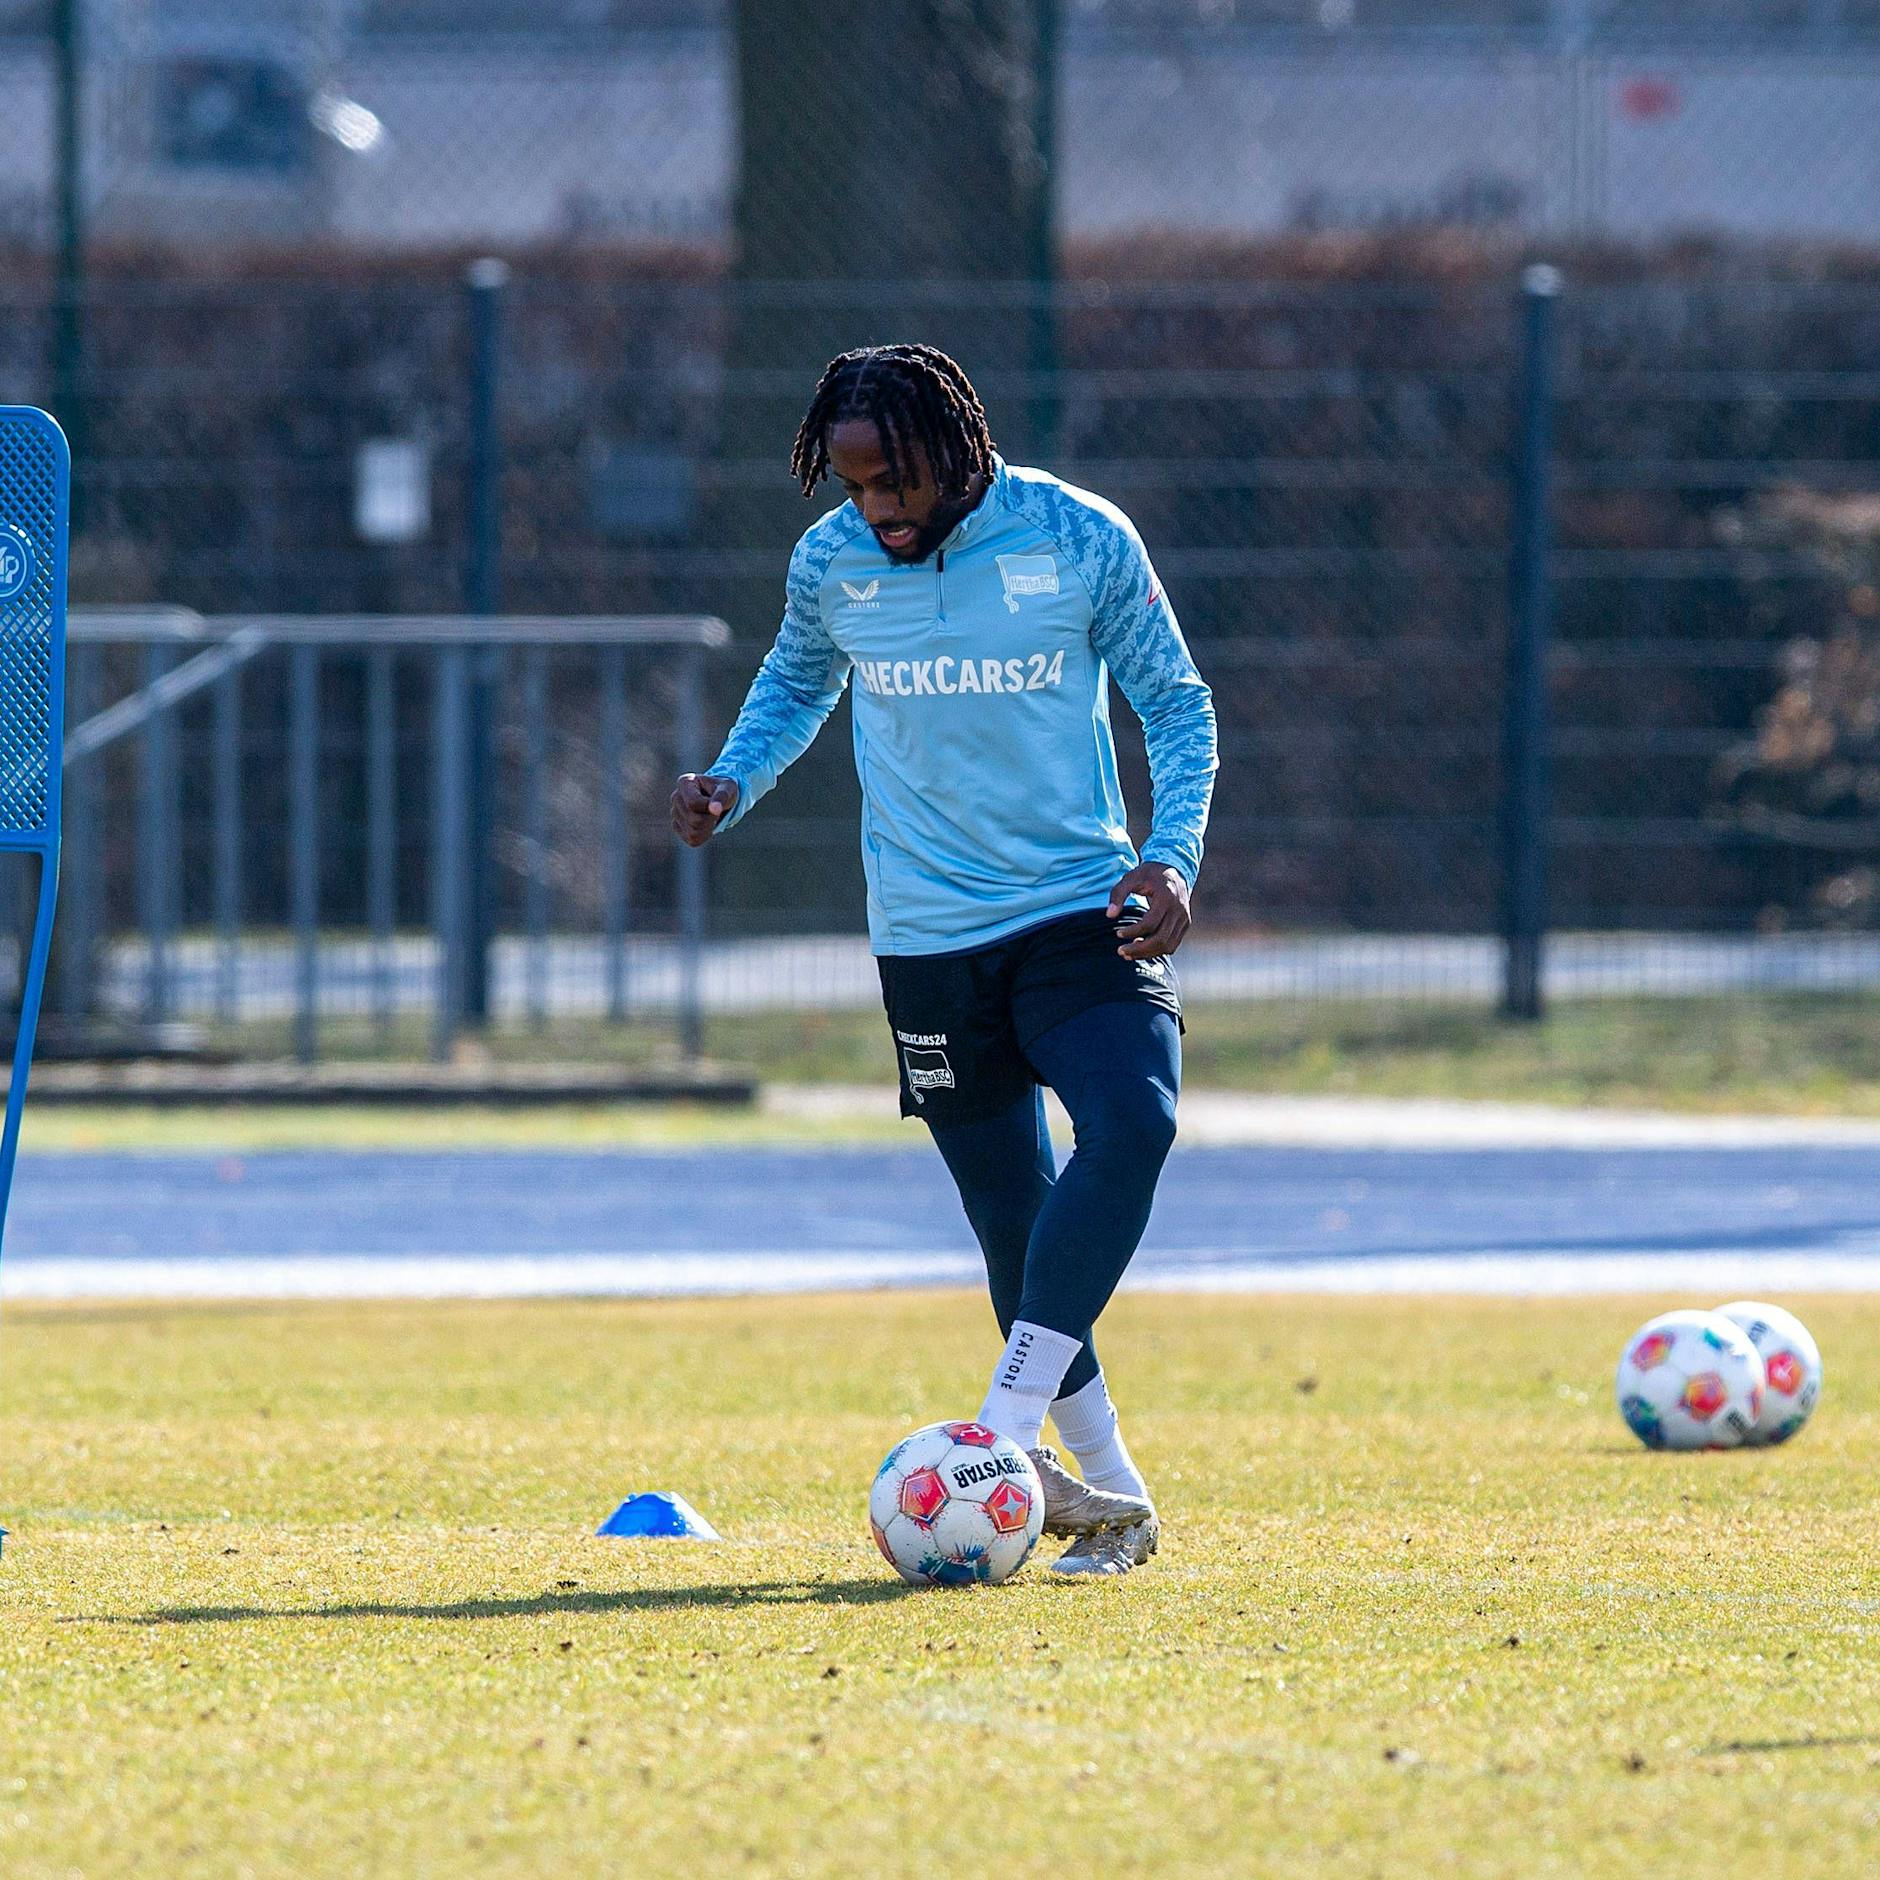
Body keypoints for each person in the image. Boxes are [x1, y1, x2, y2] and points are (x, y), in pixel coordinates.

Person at [671, 343, 1216, 1576]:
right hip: (925, 936)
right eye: (855, 486)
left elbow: (1176, 702)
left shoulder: (1076, 537)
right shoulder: (832, 561)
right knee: (1011, 1220)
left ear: (958, 450)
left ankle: (1002, 1436)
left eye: (897, 481)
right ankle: (1115, 1498)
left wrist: (1170, 856)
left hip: (1079, 910)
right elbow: (794, 681)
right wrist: (731, 779)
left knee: (1133, 1121)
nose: (878, 509)